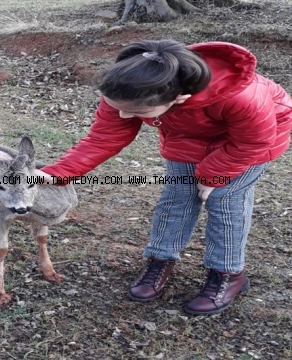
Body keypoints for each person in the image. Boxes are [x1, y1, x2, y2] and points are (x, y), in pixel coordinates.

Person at [35, 40, 292, 315]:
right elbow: (105, 136)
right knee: (177, 198)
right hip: (187, 139)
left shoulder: (242, 96)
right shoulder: (125, 88)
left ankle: (228, 273)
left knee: (224, 202)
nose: (123, 115)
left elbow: (253, 142)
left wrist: (213, 176)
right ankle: (161, 259)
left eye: (137, 112)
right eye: (117, 106)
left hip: (247, 145)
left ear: (179, 97)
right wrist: (58, 172)